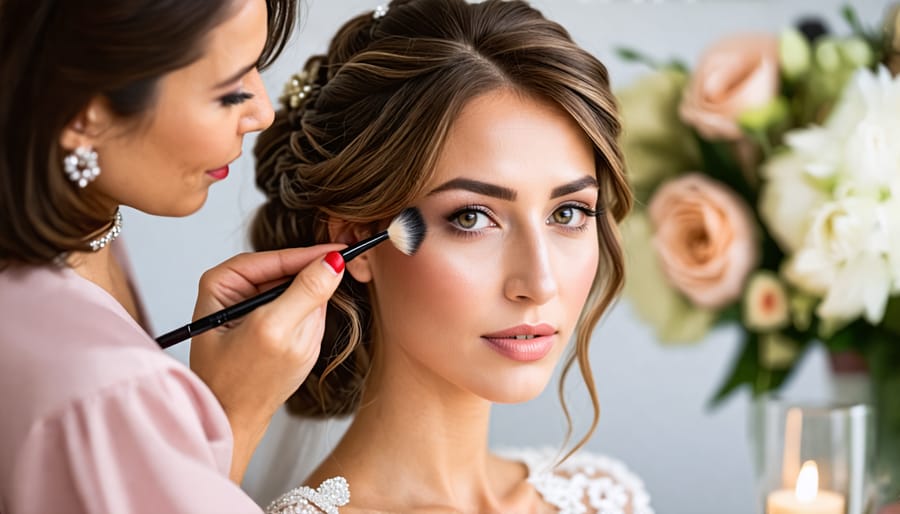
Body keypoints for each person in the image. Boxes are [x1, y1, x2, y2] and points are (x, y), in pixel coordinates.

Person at [251, 1, 654, 512]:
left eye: (568, 213)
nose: (540, 282)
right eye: (472, 218)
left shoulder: (602, 496)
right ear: (356, 239)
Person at [0, 0, 348, 512]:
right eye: (230, 91)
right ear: (85, 113)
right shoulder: (100, 389)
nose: (263, 112)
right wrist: (233, 413)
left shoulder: (94, 237)